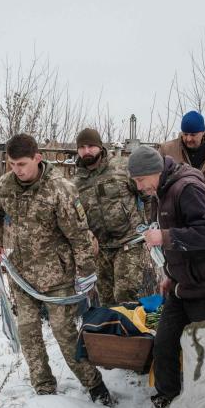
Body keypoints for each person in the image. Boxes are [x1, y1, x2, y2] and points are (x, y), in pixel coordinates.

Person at [0, 134, 114, 405]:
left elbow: (80, 236)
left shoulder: (59, 190)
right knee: (28, 332)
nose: (17, 170)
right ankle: (44, 391)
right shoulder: (5, 186)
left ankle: (96, 387)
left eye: (22, 164)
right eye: (12, 164)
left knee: (65, 335)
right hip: (22, 275)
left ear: (37, 158)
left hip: (58, 277)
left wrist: (86, 273)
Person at [126, 145, 205, 408]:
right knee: (164, 346)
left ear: (154, 171)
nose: (139, 187)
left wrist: (164, 236)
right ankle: (168, 407)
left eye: (140, 181)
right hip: (182, 285)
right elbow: (178, 244)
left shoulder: (187, 188)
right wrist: (169, 274)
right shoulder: (161, 191)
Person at [72, 128, 148, 304]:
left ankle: (130, 331)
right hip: (101, 250)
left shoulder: (122, 167)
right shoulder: (75, 183)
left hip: (128, 242)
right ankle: (110, 331)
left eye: (91, 146)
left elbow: (147, 193)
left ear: (100, 147)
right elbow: (75, 219)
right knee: (106, 301)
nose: (87, 151)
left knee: (125, 295)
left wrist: (149, 225)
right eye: (82, 147)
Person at [158, 110, 205, 225]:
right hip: (174, 220)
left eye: (193, 135)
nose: (188, 139)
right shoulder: (167, 150)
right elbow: (156, 185)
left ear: (202, 132)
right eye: (185, 134)